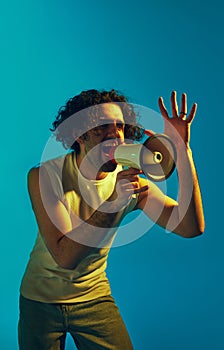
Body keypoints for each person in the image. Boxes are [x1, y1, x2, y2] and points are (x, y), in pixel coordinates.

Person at [18, 89, 205, 349]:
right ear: (78, 134)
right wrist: (113, 203)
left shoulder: (131, 183)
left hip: (94, 297)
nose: (115, 135)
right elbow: (65, 258)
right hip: (40, 299)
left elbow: (191, 227)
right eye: (102, 127)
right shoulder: (44, 177)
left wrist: (183, 154)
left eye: (119, 126)